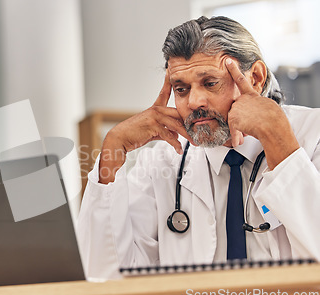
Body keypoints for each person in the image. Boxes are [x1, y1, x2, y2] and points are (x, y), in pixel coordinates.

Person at [76, 16, 320, 280]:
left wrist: (279, 142)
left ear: (257, 77)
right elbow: (103, 277)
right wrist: (114, 148)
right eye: (181, 89)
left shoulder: (313, 136)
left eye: (210, 83)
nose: (194, 101)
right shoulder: (164, 161)